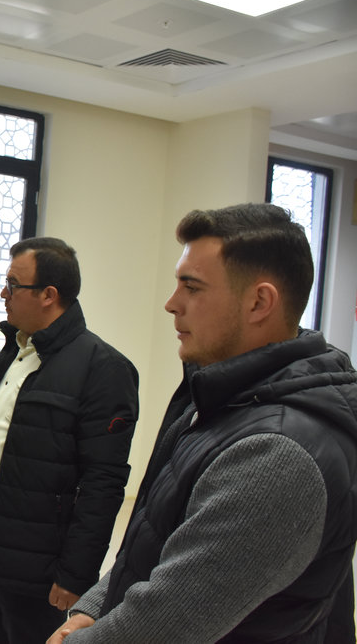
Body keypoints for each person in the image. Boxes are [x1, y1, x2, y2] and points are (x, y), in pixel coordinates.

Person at [48, 203, 357, 644]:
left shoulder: (278, 453)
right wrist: (95, 607)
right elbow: (156, 539)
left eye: (191, 287)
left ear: (259, 302)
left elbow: (163, 625)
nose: (171, 304)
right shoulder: (222, 400)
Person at [0, 236, 139, 643]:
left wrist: (76, 574)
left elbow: (102, 483)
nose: (4, 294)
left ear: (49, 295)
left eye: (13, 285)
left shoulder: (104, 368)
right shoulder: (16, 351)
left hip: (40, 560)